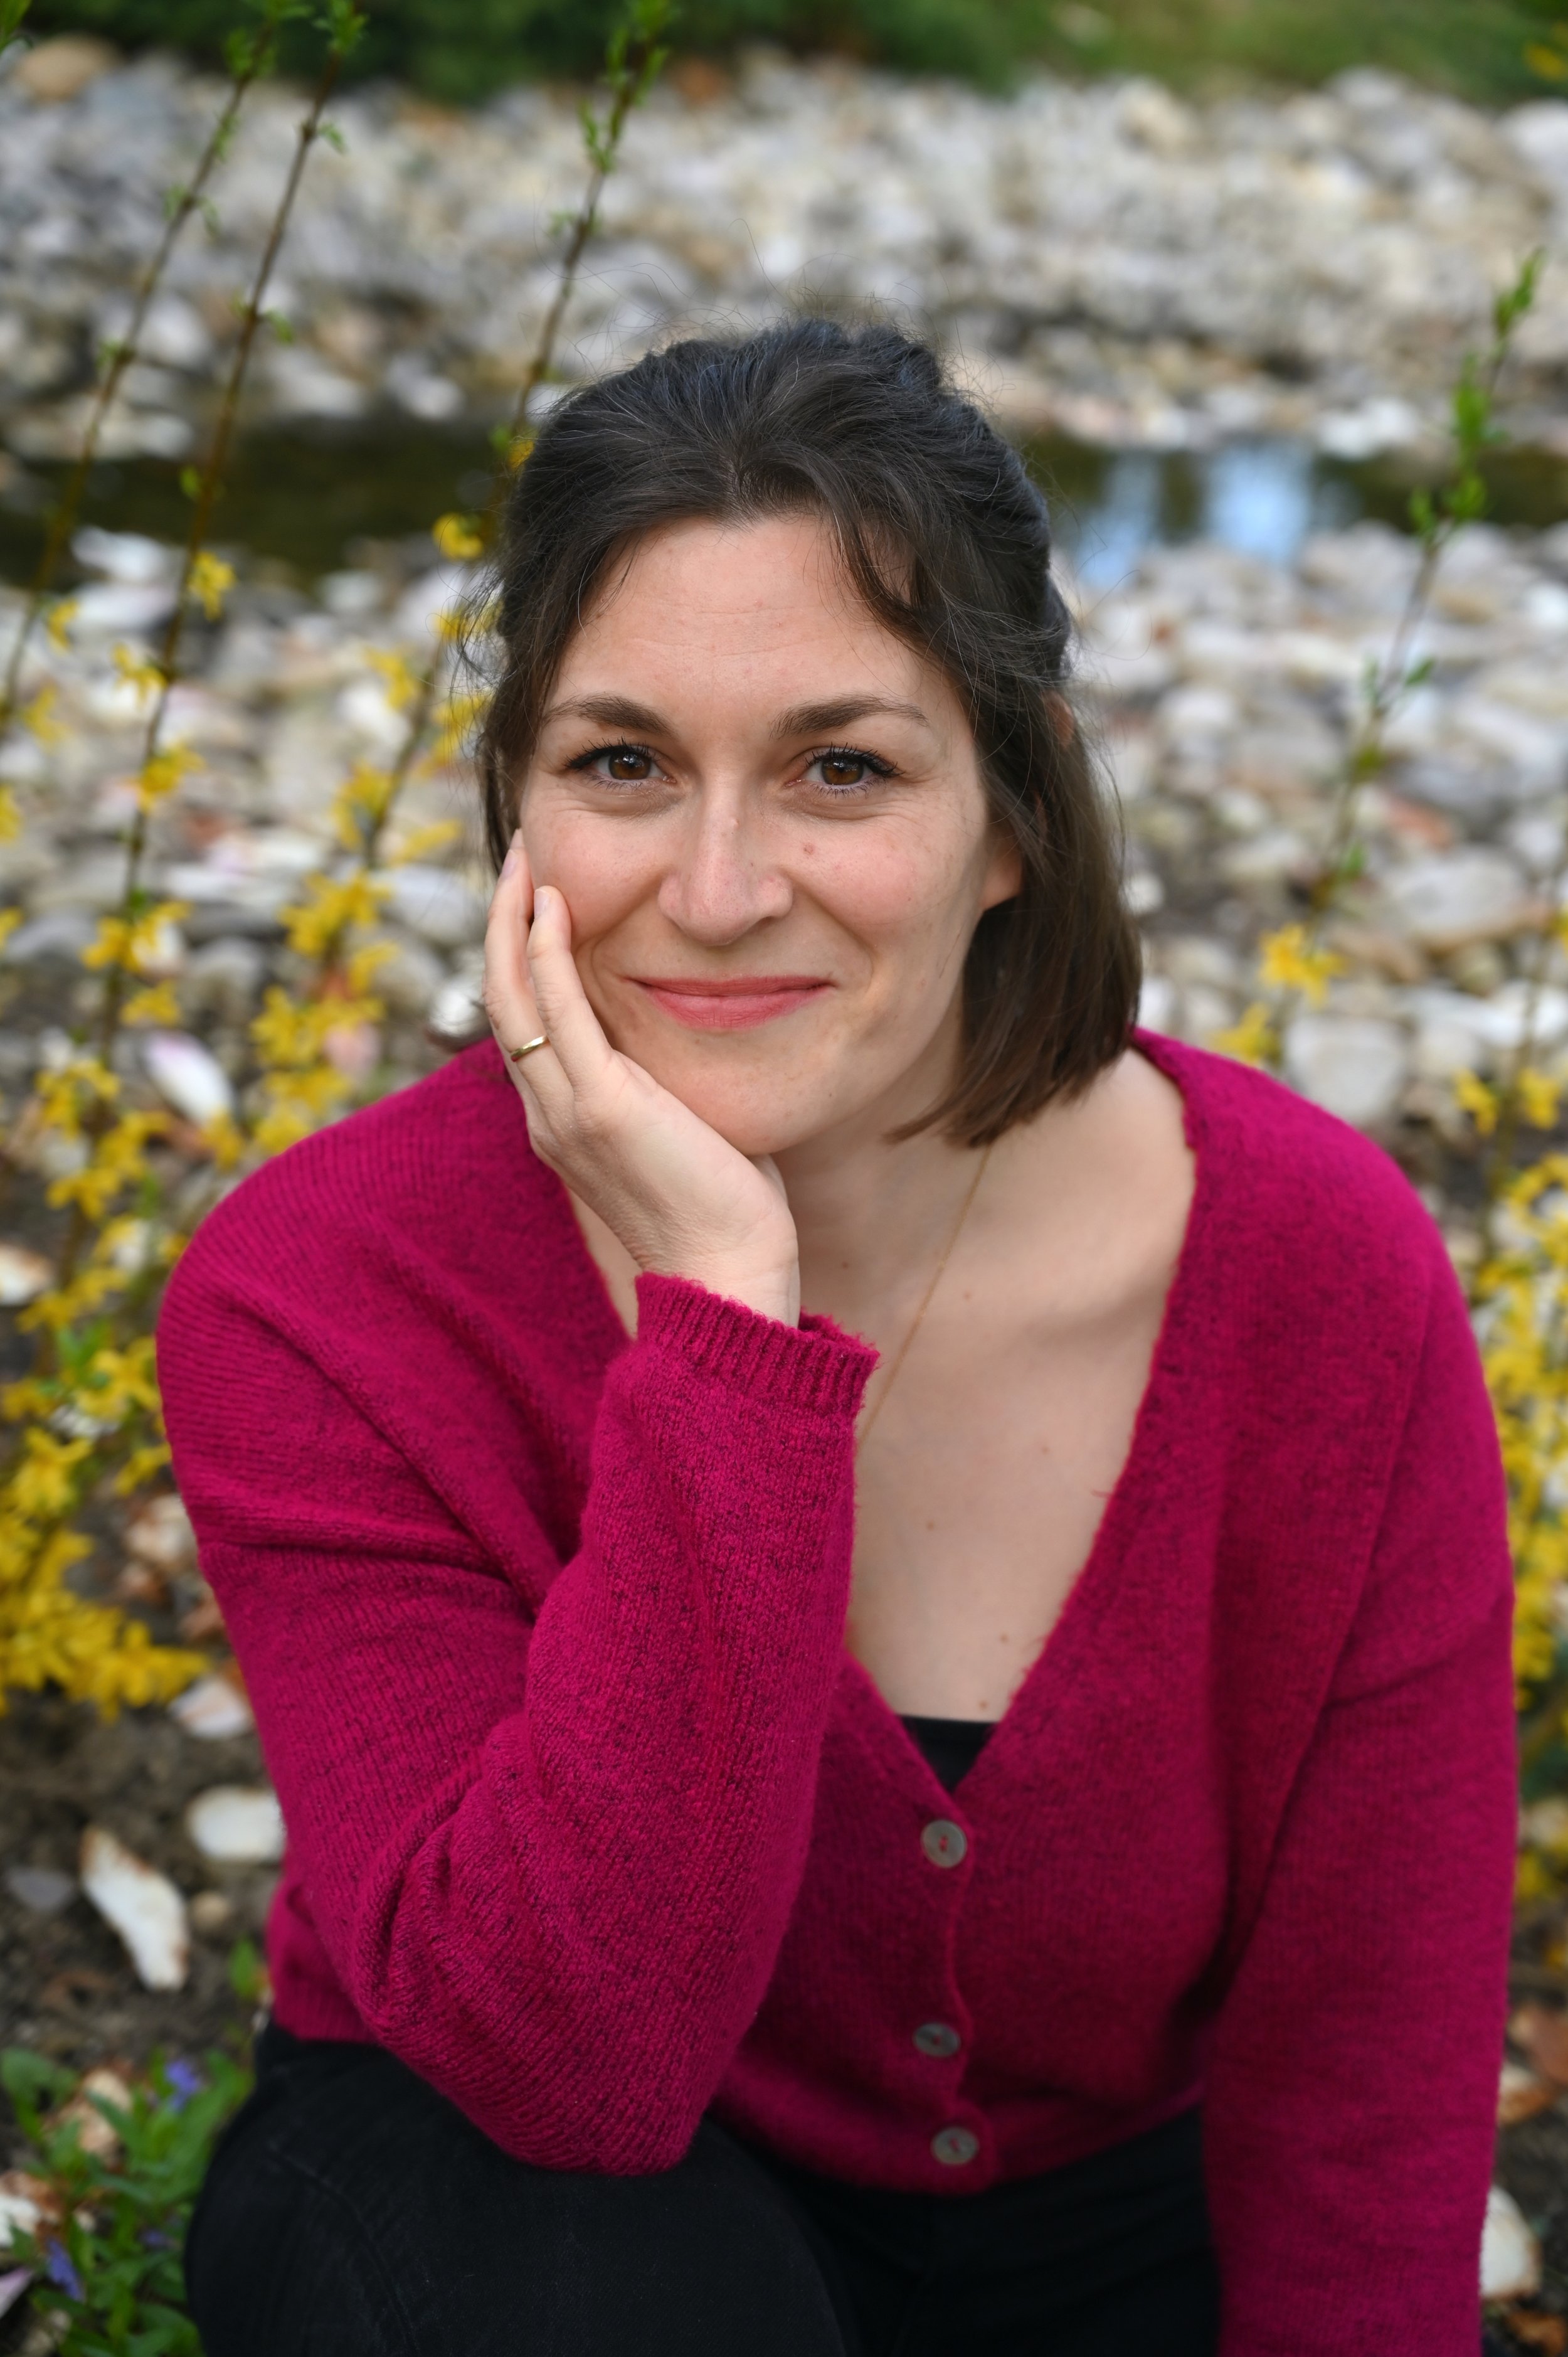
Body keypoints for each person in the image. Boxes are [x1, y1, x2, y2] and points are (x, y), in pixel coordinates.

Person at [160, 321, 1515, 2357]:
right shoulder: (325, 1296)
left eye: (840, 768)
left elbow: (1363, 2065)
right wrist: (724, 1331)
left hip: (1098, 2234)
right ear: (516, 819)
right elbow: (575, 2065)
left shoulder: (1313, 1270)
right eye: (621, 764)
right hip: (505, 2217)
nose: (716, 891)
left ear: (1008, 820)